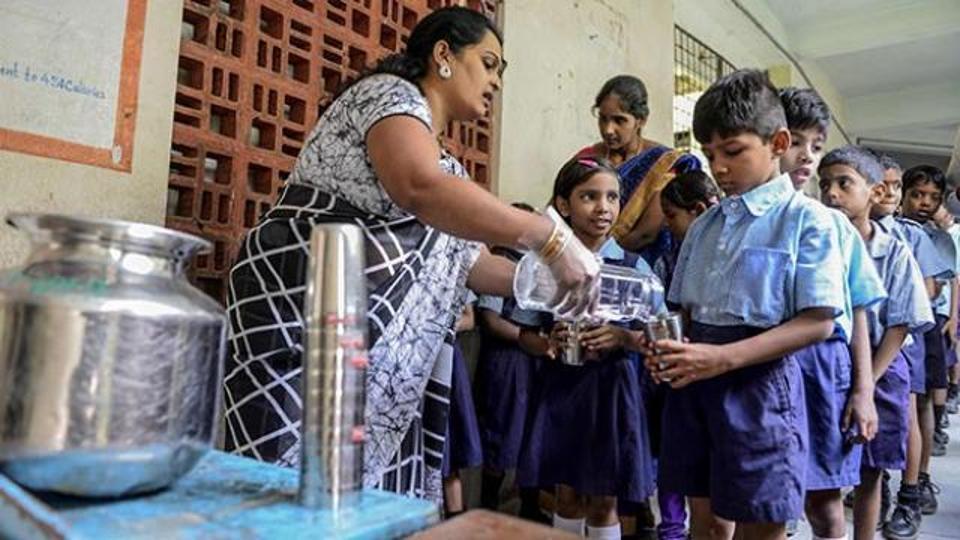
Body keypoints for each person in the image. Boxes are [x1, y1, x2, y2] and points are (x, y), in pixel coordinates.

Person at [221, 6, 598, 504]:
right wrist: (549, 238)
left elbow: (470, 264)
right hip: (305, 320)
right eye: (488, 64)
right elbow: (417, 186)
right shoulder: (387, 97)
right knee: (285, 494)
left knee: (359, 505)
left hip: (376, 371)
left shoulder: (450, 172)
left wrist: (555, 288)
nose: (495, 83)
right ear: (443, 54)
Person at [647, 69, 846, 540]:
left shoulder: (807, 221)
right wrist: (663, 348)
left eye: (732, 152)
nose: (718, 168)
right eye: (709, 154)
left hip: (760, 386)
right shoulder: (703, 226)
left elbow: (817, 323)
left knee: (762, 521)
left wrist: (723, 358)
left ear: (778, 142)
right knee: (709, 524)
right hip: (696, 381)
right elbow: (683, 313)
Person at [516, 157, 656, 539]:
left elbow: (657, 340)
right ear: (564, 205)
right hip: (562, 388)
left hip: (612, 392)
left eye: (612, 197)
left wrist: (622, 337)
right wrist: (548, 342)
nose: (603, 207)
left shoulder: (634, 268)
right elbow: (524, 334)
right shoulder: (545, 267)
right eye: (589, 196)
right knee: (566, 494)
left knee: (603, 499)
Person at [780, 87, 884, 540]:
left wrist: (863, 390)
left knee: (823, 504)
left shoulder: (835, 227)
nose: (806, 157)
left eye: (815, 147)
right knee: (767, 499)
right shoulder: (743, 217)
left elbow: (857, 309)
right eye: (796, 142)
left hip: (823, 368)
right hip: (769, 363)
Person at [816, 146, 933, 539]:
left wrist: (866, 384)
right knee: (824, 467)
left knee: (871, 472)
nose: (831, 193)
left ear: (874, 192)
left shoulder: (895, 250)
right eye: (825, 184)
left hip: (883, 365)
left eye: (844, 183)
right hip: (829, 365)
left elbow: (900, 325)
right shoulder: (817, 245)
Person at [868, 154, 951, 538]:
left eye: (895, 185)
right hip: (865, 335)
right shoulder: (850, 229)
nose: (888, 191)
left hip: (906, 335)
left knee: (907, 413)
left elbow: (931, 289)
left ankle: (910, 494)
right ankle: (876, 484)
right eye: (881, 184)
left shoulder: (911, 235)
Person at [653, 169, 720, 540]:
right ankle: (672, 528)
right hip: (678, 367)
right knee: (675, 457)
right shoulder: (669, 258)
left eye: (671, 215)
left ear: (696, 210)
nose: (666, 224)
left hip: (712, 367)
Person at [475, 203, 549, 522]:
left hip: (533, 359)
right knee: (501, 434)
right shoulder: (498, 263)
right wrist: (529, 338)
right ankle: (488, 507)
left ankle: (529, 507)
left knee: (532, 434)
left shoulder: (536, 265)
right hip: (507, 362)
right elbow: (491, 321)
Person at [576, 75, 699, 263]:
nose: (608, 129)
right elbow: (559, 208)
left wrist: (599, 259)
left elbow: (645, 234)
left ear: (640, 120)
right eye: (603, 119)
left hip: (636, 264)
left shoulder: (663, 164)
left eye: (619, 120)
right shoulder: (588, 157)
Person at [899, 164, 956, 518]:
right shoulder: (888, 228)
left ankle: (919, 481)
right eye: (917, 195)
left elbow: (935, 287)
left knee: (919, 404)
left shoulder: (938, 238)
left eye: (932, 198)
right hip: (891, 325)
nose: (924, 202)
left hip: (926, 325)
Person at [442, 299, 483, 518]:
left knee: (449, 456)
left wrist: (436, 323)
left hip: (444, 358)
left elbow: (469, 318)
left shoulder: (448, 268)